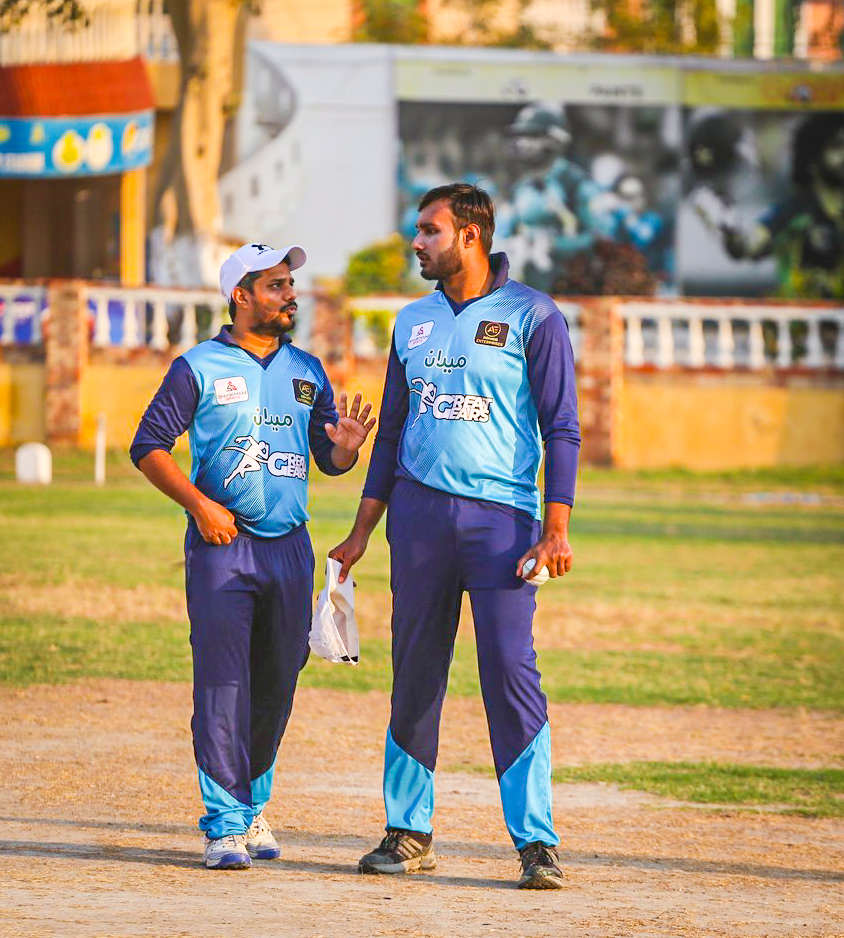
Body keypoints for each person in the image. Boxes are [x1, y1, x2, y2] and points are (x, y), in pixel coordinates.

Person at [330, 184, 580, 889]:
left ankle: (536, 844)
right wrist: (361, 532)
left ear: (470, 236)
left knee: (509, 671)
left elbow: (562, 427)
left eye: (429, 230)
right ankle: (408, 832)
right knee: (415, 671)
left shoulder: (534, 315)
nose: (417, 242)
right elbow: (390, 435)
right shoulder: (411, 320)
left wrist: (556, 528)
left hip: (503, 524)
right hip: (417, 522)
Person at [130, 243, 375, 869]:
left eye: (291, 284)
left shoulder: (307, 369)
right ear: (241, 296)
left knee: (277, 678)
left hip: (290, 548)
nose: (290, 295)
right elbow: (149, 446)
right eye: (276, 285)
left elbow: (328, 459)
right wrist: (199, 506)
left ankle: (250, 806)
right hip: (222, 547)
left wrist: (346, 450)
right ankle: (222, 823)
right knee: (223, 681)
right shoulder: (197, 366)